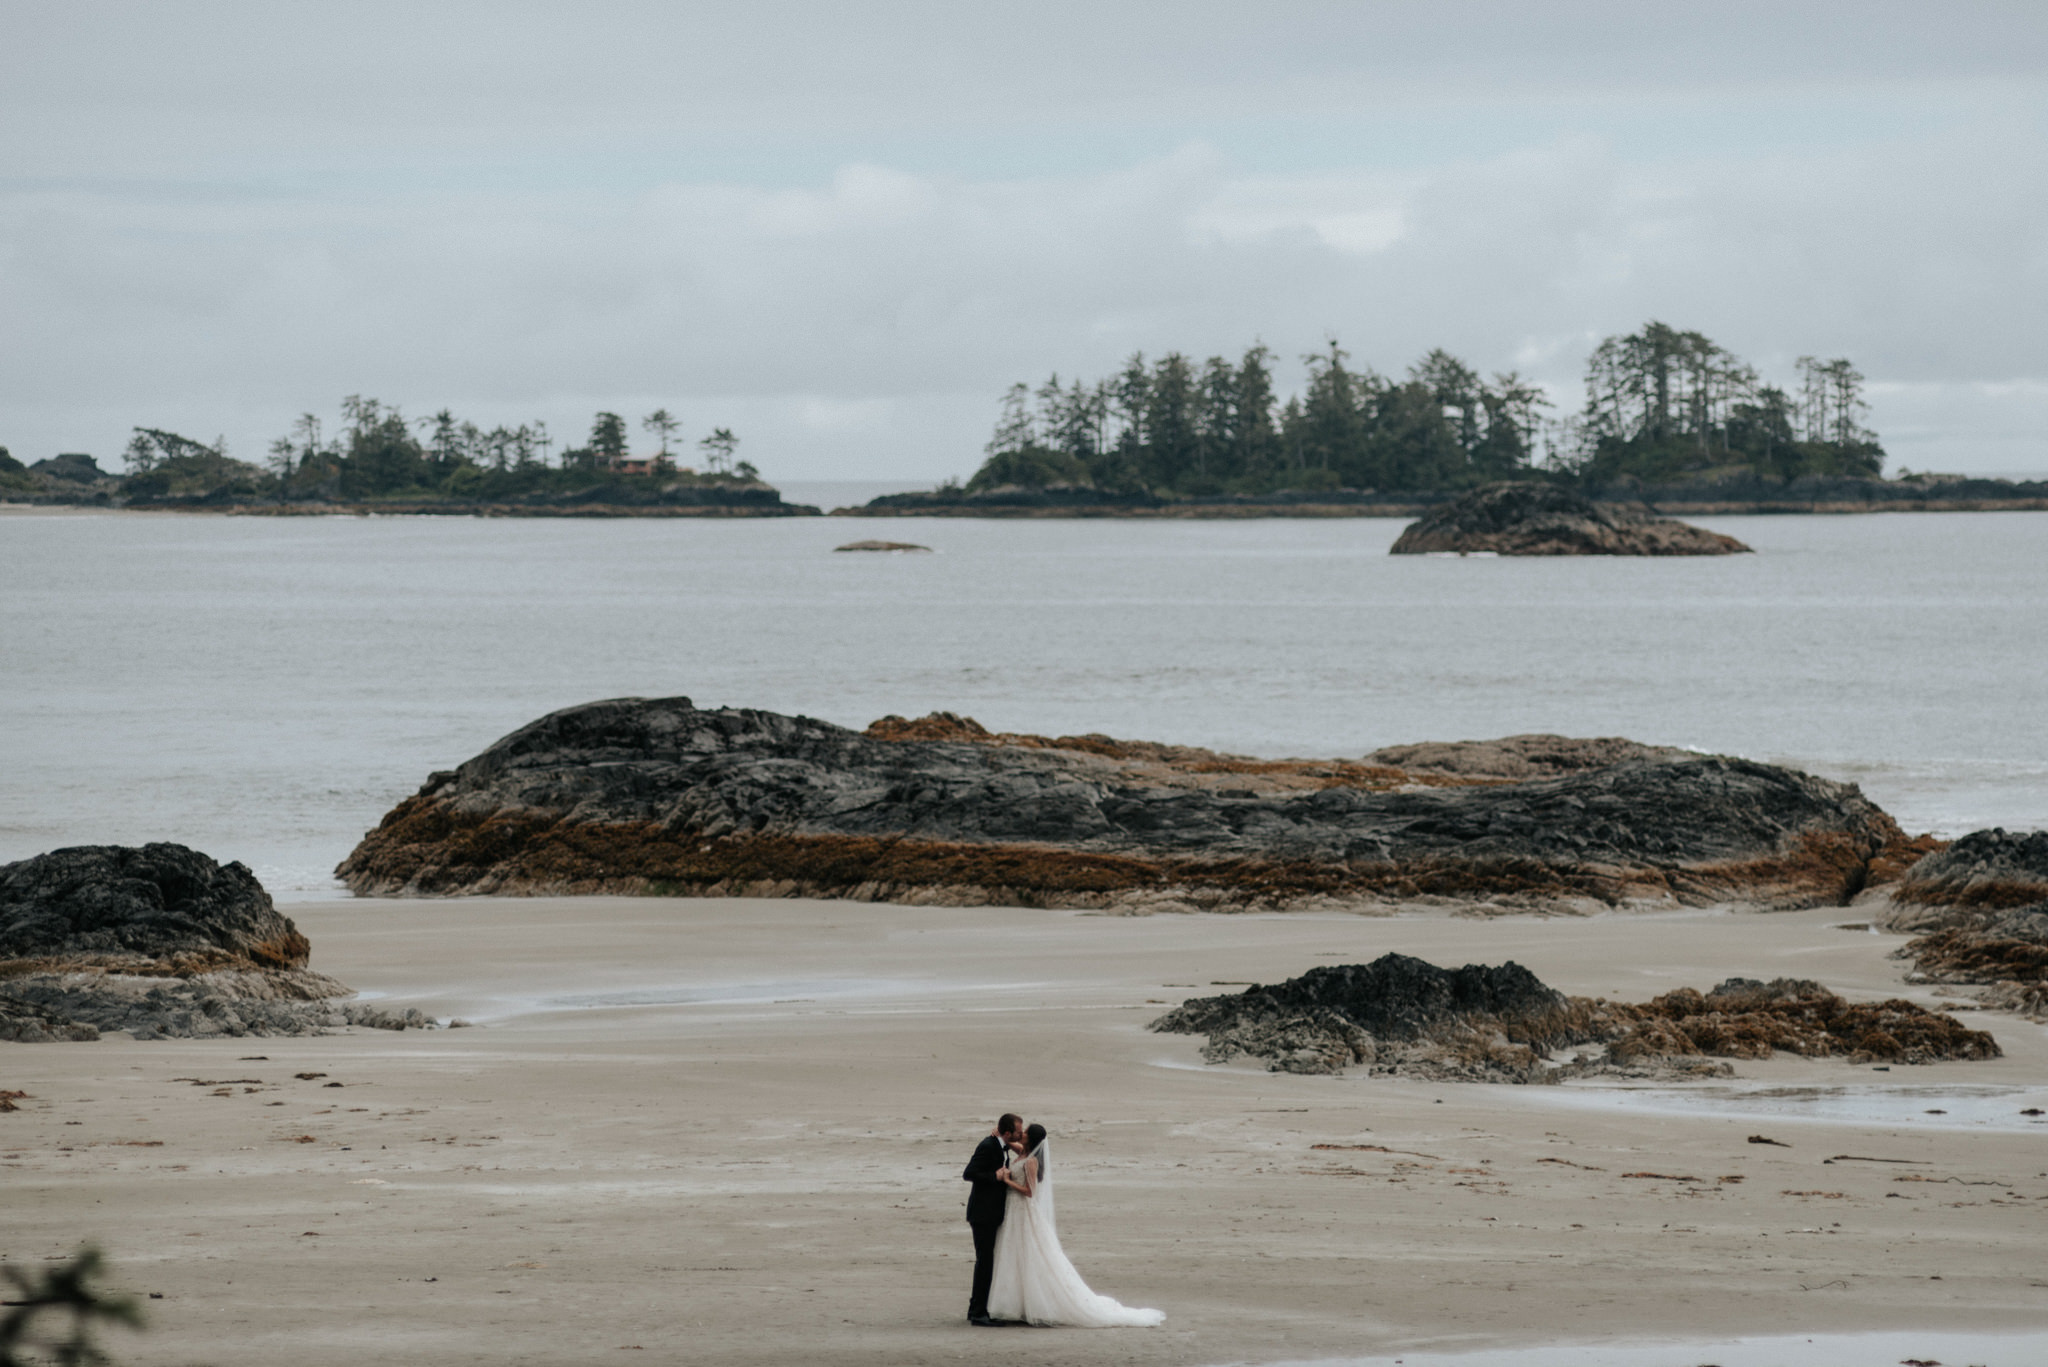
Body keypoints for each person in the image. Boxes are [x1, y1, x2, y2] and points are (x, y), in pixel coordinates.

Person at [985, 1122, 1164, 1327]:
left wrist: (1007, 1180)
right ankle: (1019, 1304)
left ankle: (1032, 1304)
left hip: (1023, 1211)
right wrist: (1001, 1137)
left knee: (1029, 1254)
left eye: (1025, 1133)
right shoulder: (1024, 1153)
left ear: (1031, 1139)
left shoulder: (1032, 1161)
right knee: (1016, 1254)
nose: (1021, 1134)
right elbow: (1015, 1145)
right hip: (1014, 1213)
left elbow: (1030, 1192)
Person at [961, 1112, 1023, 1326]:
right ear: (1007, 1133)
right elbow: (969, 1173)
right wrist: (994, 1177)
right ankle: (978, 1313)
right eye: (1018, 1132)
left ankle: (975, 1309)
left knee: (986, 1262)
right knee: (985, 1262)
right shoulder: (988, 1146)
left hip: (990, 1213)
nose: (1021, 1134)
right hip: (982, 1214)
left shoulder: (1000, 1145)